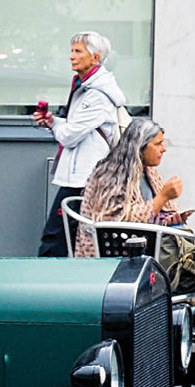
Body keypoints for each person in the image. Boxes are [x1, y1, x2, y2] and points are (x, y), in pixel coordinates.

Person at [74, 118, 195, 295]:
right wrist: (162, 197)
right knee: (182, 266)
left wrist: (169, 218)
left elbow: (153, 212)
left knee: (187, 255)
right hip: (111, 255)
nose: (163, 149)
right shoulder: (110, 175)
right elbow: (114, 221)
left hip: (142, 248)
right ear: (140, 147)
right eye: (158, 144)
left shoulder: (148, 171)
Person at [32, 31, 127, 257]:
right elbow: (76, 126)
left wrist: (55, 126)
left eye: (78, 51)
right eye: (72, 50)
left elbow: (69, 135)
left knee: (56, 237)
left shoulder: (97, 94)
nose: (71, 56)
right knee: (68, 236)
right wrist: (52, 120)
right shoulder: (84, 86)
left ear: (95, 58)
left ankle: (46, 283)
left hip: (84, 177)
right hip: (81, 174)